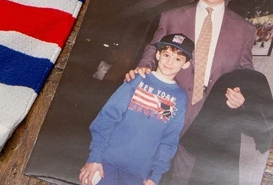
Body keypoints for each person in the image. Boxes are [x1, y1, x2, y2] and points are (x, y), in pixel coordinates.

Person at [126, 0, 256, 185]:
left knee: (184, 173)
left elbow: (245, 70)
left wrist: (241, 94)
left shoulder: (245, 29)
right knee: (146, 161)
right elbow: (154, 47)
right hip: (168, 101)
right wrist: (144, 66)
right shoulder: (172, 17)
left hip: (208, 112)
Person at [80, 34, 195, 185]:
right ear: (158, 54)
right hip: (106, 162)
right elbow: (108, 116)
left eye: (178, 59)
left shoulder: (180, 97)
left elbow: (169, 139)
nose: (170, 62)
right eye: (166, 55)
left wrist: (155, 176)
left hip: (138, 172)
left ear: (186, 64)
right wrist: (95, 157)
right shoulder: (137, 79)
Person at [182, 68, 273, 185]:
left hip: (216, 140)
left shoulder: (252, 77)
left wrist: (245, 105)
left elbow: (264, 130)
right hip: (189, 123)